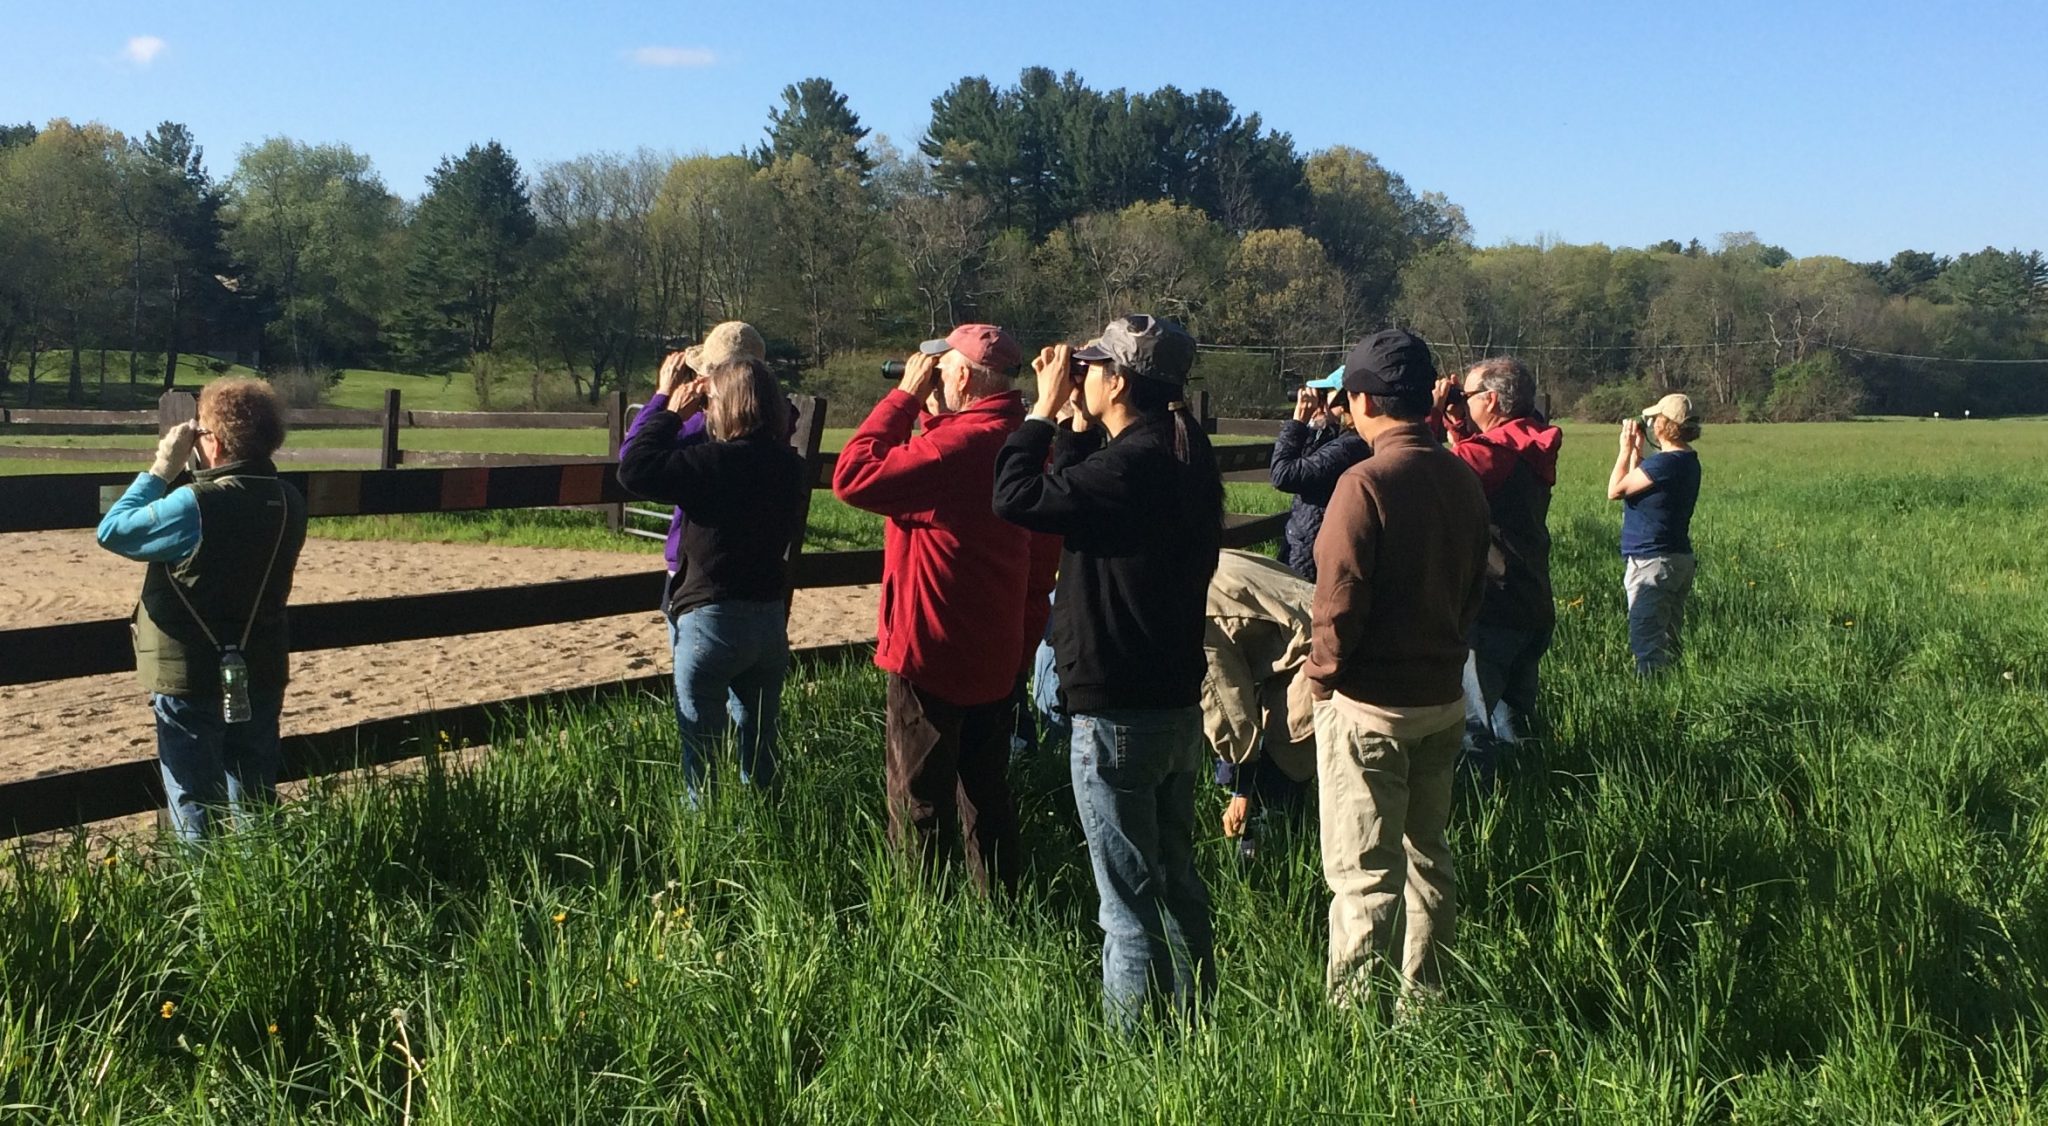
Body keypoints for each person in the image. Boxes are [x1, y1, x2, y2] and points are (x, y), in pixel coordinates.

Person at [992, 313, 1223, 1029]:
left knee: (1125, 907)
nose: (1080, 375)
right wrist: (1077, 425)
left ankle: (1128, 1063)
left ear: (1118, 380)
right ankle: (1195, 1029)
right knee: (1177, 881)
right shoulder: (1181, 450)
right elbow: (1084, 488)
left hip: (1119, 708)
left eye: (1092, 366)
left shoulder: (1132, 465)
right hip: (1177, 701)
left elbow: (1016, 498)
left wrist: (1038, 410)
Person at [831, 324, 1051, 895]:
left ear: (960, 375)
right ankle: (1002, 907)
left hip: (932, 649)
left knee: (920, 798)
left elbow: (853, 477)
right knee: (987, 793)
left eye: (938, 367)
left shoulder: (957, 448)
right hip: (996, 649)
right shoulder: (1021, 439)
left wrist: (902, 397)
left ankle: (921, 917)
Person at [1306, 329, 1489, 1009]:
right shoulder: (1462, 476)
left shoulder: (1364, 482)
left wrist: (1321, 679)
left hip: (1370, 709)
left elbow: (1338, 603)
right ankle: (1428, 1004)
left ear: (1361, 398)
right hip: (1443, 699)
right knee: (1427, 861)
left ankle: (1357, 1034)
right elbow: (1475, 587)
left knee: (1363, 878)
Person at [95, 378, 309, 841]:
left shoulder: (195, 504)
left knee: (193, 798)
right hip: (262, 664)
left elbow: (113, 531)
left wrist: (160, 469)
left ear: (212, 442)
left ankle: (208, 897)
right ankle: (265, 889)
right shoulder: (289, 501)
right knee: (255, 795)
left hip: (188, 672)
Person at [617, 357, 807, 802]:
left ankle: (708, 839)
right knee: (760, 745)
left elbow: (634, 469)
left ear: (724, 407)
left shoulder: (712, 463)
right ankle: (767, 824)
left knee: (701, 756)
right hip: (767, 620)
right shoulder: (790, 467)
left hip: (710, 619)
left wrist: (669, 408)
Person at [1431, 356, 1563, 783]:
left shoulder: (1487, 455)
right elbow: (1491, 458)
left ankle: (1483, 806)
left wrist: (1432, 417)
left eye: (1467, 395)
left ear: (1490, 399)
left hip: (1492, 608)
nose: (1462, 401)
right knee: (1515, 723)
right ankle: (1529, 793)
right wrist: (1460, 425)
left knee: (1473, 728)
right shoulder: (1532, 440)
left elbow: (1429, 477)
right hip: (1532, 601)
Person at [621, 321, 770, 599]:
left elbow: (633, 457)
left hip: (696, 568)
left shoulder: (701, 427)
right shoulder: (777, 426)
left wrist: (665, 400)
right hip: (759, 568)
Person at [1201, 549, 1318, 853]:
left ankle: (1271, 852)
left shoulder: (1191, 612)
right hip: (1318, 623)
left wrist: (1242, 789)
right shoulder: (1204, 558)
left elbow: (1226, 705)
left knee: (1286, 751)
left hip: (1323, 648)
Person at [1608, 392, 1703, 674]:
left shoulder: (1664, 463)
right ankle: (1674, 688)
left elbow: (1616, 490)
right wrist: (1639, 452)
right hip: (1678, 558)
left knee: (1648, 643)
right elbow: (1644, 484)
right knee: (1670, 637)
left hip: (1651, 562)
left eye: (1653, 419)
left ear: (1663, 424)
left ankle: (1653, 699)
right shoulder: (1687, 460)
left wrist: (1625, 450)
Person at [1270, 367, 1370, 582]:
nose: (1320, 401)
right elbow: (1306, 461)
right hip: (1311, 543)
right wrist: (1314, 425)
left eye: (1326, 394)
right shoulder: (1341, 440)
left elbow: (1283, 475)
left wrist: (1297, 423)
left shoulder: (1350, 447)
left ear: (1345, 401)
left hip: (1312, 555)